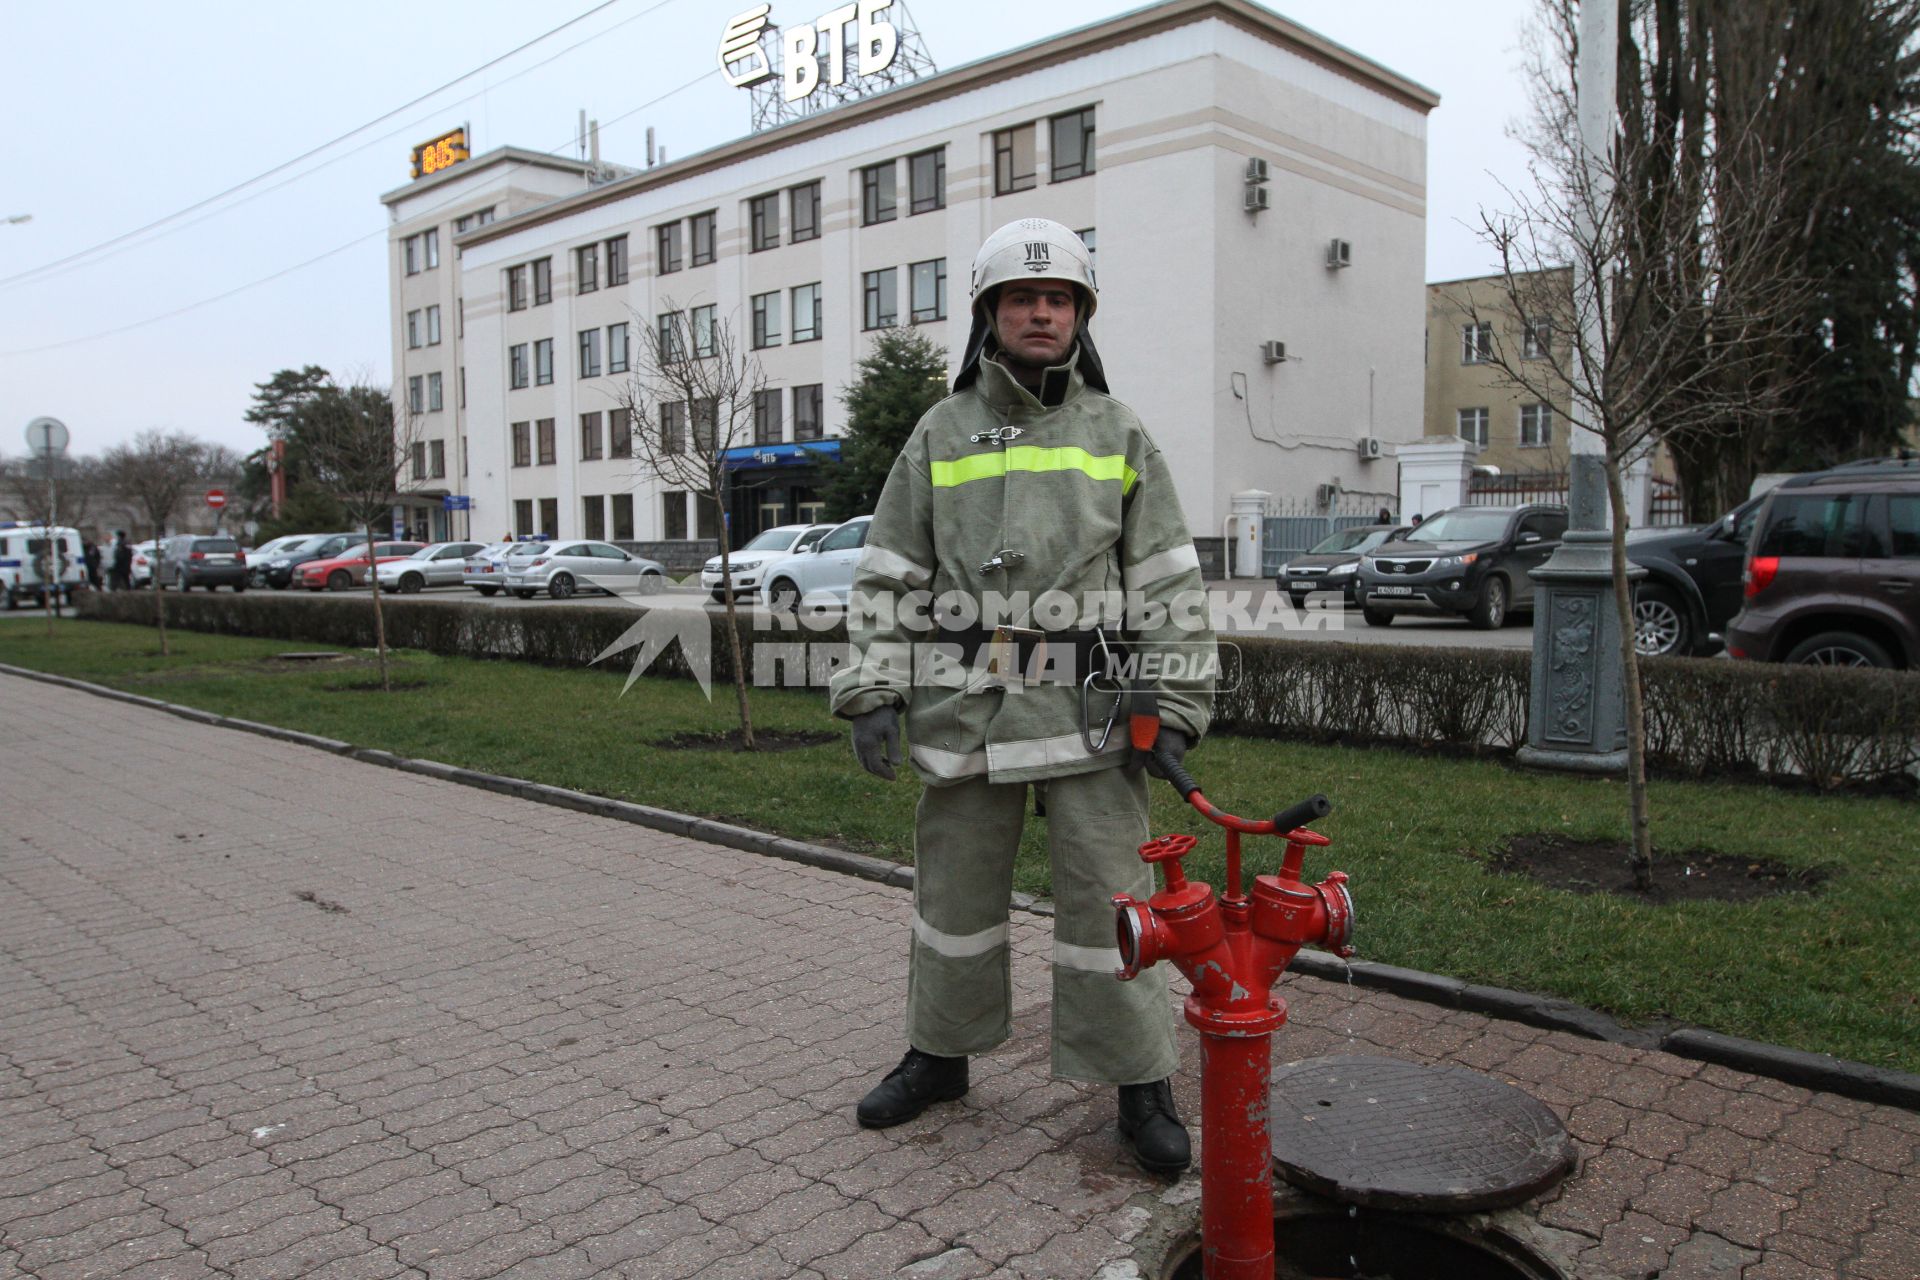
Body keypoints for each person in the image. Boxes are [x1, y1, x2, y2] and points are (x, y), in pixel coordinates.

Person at [830, 217, 1215, 1176]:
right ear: (989, 316)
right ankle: (940, 1055)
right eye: (1020, 298)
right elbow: (885, 573)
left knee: (1113, 900)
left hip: (1087, 707)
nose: (1039, 312)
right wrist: (872, 684)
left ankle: (1140, 1080)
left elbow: (1168, 582)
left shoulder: (1117, 430)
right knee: (952, 899)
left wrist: (1172, 705)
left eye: (1057, 299)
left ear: (1080, 315)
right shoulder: (939, 431)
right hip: (964, 703)